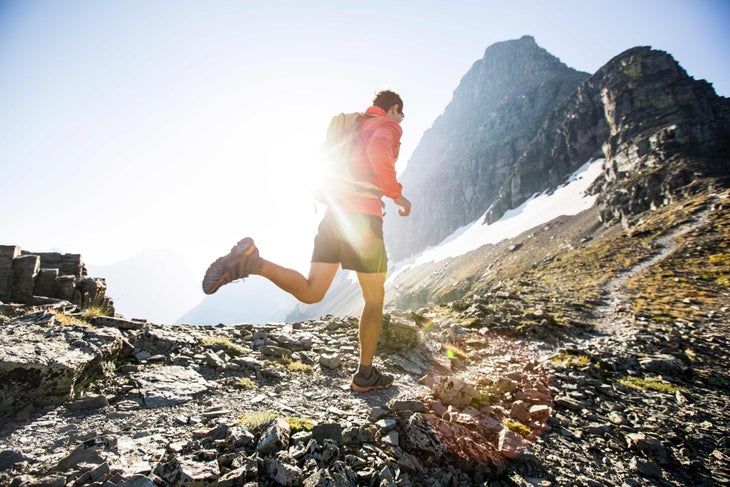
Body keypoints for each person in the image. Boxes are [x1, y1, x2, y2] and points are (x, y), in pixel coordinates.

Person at [202, 90, 411, 392]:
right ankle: (365, 374)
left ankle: (251, 262)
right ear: (393, 109)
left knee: (312, 291)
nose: (401, 120)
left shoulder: (350, 124)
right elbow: (379, 154)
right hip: (363, 219)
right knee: (374, 298)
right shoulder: (387, 127)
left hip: (333, 217)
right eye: (401, 114)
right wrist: (397, 194)